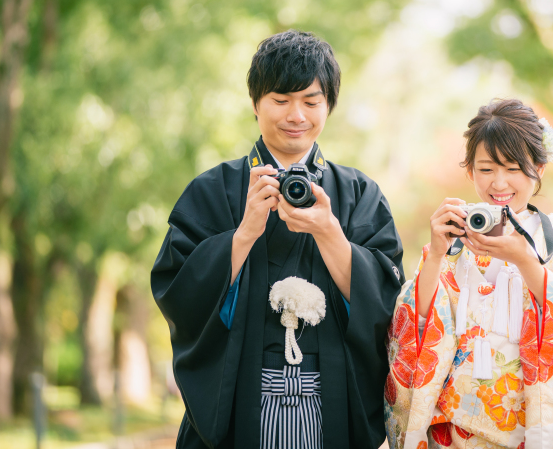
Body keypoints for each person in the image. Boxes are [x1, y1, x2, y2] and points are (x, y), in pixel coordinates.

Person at [152, 30, 404, 449]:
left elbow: (387, 305)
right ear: (255, 103)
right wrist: (245, 233)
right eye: (281, 100)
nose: (296, 115)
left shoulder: (360, 194)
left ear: (329, 105)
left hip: (332, 402)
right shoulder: (213, 190)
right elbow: (179, 293)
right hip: (238, 401)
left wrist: (330, 233)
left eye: (311, 101)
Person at [384, 99, 553, 449]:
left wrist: (527, 263)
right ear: (470, 171)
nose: (499, 183)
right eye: (486, 169)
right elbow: (413, 328)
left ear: (539, 168)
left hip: (530, 434)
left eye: (513, 168)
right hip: (452, 434)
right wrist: (435, 254)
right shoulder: (452, 240)